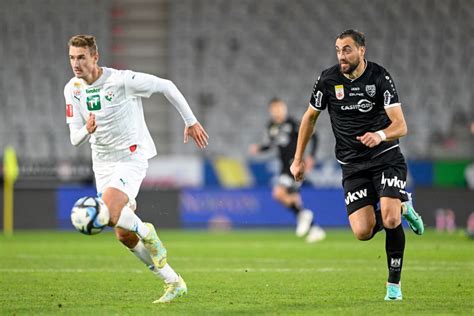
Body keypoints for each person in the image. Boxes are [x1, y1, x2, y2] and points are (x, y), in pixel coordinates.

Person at [64, 35, 209, 303]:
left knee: (108, 212)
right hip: (102, 162)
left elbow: (166, 86)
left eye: (81, 57)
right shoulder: (71, 89)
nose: (76, 63)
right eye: (72, 57)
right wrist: (88, 128)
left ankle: (147, 232)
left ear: (95, 57)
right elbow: (75, 137)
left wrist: (190, 121)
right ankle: (173, 281)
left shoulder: (121, 80)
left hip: (130, 156)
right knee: (121, 233)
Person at [290, 30, 424, 300]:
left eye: (347, 49)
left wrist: (380, 135)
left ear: (362, 50)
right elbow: (309, 118)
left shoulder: (379, 77)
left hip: (386, 158)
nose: (342, 55)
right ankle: (402, 203)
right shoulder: (328, 80)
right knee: (363, 232)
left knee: (390, 218)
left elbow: (401, 124)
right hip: (352, 166)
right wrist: (297, 158)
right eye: (338, 50)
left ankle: (393, 286)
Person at [249, 98, 326, 243]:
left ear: (284, 109)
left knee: (278, 193)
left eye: (279, 108)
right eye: (274, 109)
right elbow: (270, 144)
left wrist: (311, 156)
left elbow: (314, 134)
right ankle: (315, 229)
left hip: (294, 165)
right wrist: (259, 148)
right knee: (294, 199)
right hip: (284, 165)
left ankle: (304, 215)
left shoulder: (293, 123)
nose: (277, 112)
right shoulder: (271, 126)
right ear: (270, 111)